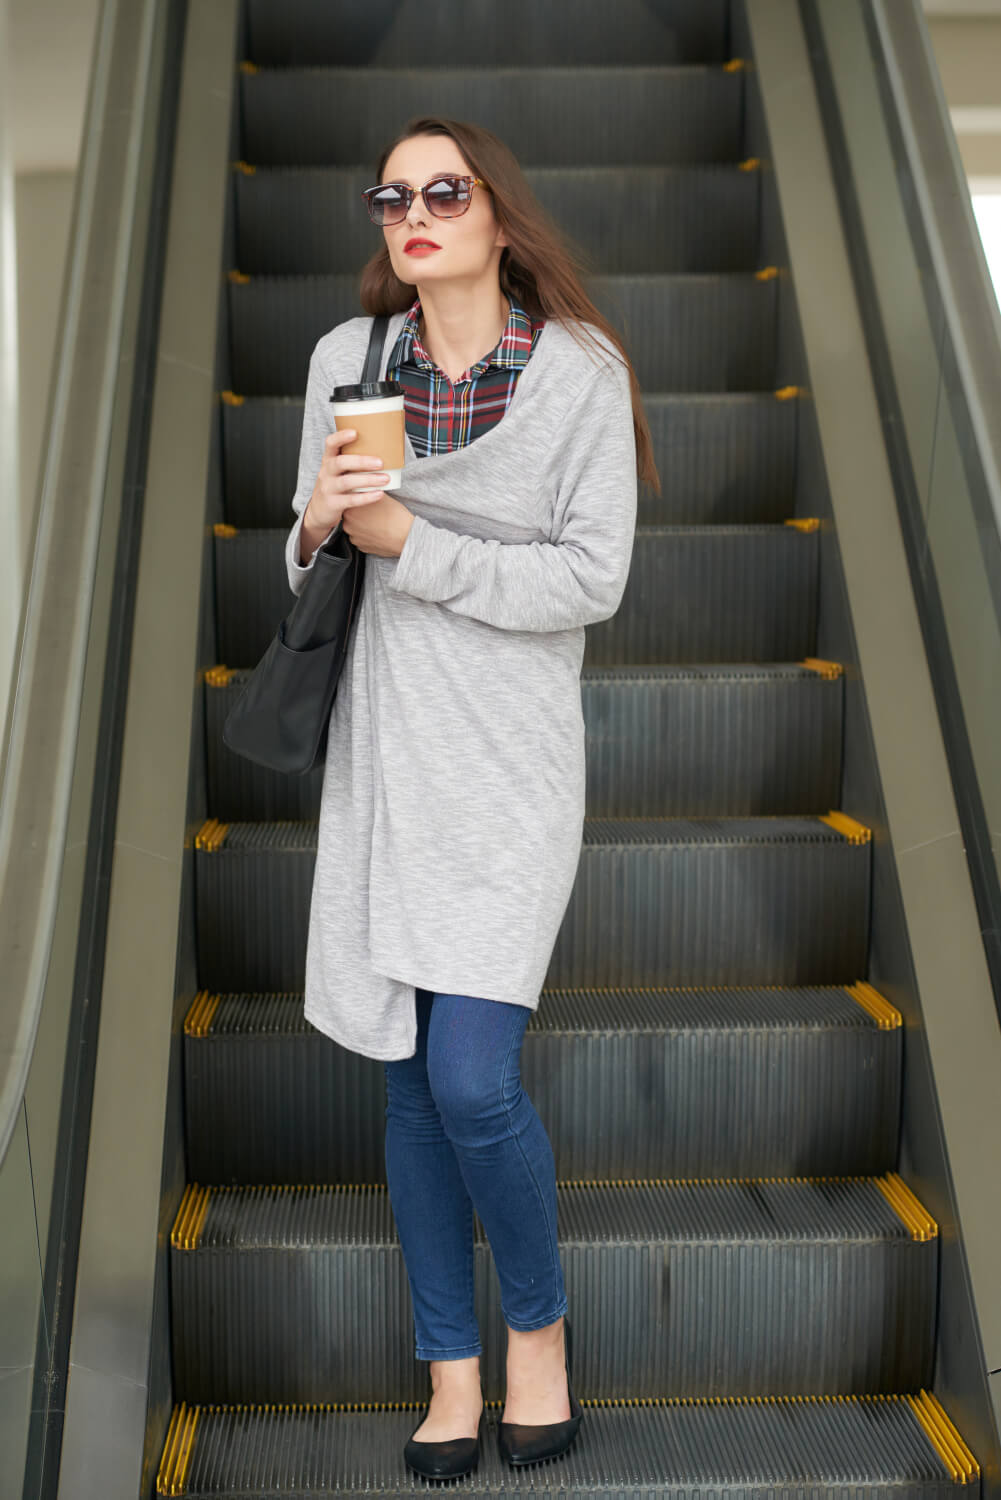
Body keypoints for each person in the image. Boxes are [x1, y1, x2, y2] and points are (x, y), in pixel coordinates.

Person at [284, 114, 660, 1479]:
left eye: (444, 190)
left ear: (499, 212)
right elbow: (303, 547)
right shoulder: (346, 358)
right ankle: (450, 1371)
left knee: (469, 1077)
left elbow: (586, 583)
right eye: (392, 194)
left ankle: (537, 1338)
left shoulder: (575, 374)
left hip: (507, 766)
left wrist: (409, 541)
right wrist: (325, 523)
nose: (414, 212)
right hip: (387, 758)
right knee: (405, 1081)